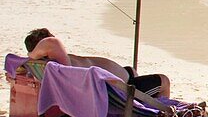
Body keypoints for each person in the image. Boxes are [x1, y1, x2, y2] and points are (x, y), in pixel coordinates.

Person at [23, 28, 171, 97]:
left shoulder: (53, 66)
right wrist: (32, 54)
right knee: (164, 81)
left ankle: (139, 110)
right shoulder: (59, 59)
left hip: (118, 81)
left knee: (131, 70)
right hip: (119, 91)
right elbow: (51, 42)